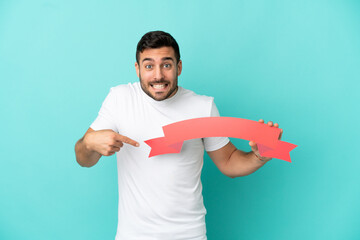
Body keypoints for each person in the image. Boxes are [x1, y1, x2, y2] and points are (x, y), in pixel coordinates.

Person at [75, 31, 282, 240]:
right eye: (149, 66)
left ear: (178, 67)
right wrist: (89, 144)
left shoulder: (202, 107)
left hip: (189, 235)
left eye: (166, 65)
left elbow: (228, 162)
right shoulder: (119, 99)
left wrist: (260, 156)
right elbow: (83, 159)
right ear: (137, 68)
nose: (158, 75)